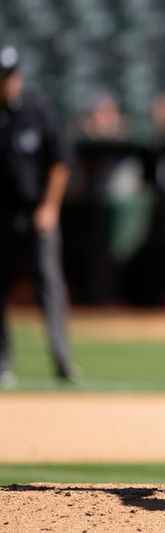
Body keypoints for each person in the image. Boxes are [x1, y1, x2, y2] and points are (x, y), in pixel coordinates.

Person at [0, 45, 77, 387]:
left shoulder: (35, 110)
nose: (7, 83)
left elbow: (60, 162)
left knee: (49, 286)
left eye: (9, 76)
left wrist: (49, 206)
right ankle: (3, 362)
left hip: (36, 213)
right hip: (3, 216)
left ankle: (63, 361)